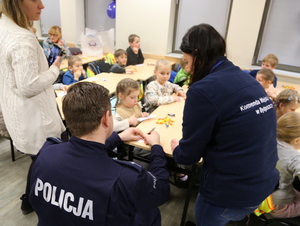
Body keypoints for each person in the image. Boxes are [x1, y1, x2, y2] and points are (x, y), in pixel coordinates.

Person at [170, 24, 279, 226]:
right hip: (264, 183)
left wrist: (178, 150)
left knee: (206, 217)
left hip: (231, 193)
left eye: (187, 61)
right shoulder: (247, 79)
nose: (188, 68)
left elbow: (189, 155)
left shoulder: (203, 90)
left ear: (197, 54)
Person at [29, 82, 170, 226]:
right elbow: (162, 191)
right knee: (150, 213)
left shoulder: (47, 151)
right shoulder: (129, 178)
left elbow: (85, 150)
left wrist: (118, 137)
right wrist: (156, 147)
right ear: (106, 119)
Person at [0, 0, 66, 215]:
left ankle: (32, 199)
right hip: (35, 121)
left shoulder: (5, 27)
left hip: (19, 117)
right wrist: (55, 69)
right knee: (45, 162)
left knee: (40, 162)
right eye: (35, 0)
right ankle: (33, 200)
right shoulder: (21, 38)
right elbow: (29, 86)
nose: (42, 6)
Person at [270, 112, 300, 218]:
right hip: (279, 205)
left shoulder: (269, 140)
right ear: (297, 140)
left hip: (259, 195)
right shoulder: (294, 157)